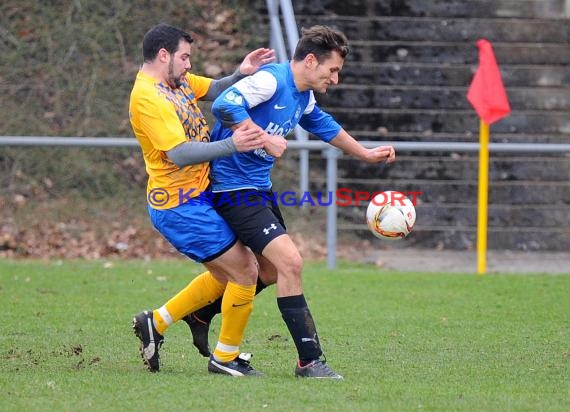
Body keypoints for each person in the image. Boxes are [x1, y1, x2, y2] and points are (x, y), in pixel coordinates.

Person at [182, 25, 396, 379]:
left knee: (268, 271)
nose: (336, 79)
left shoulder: (303, 95)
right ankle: (309, 360)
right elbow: (224, 104)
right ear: (310, 61)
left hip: (258, 189)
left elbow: (324, 126)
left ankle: (201, 313)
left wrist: (366, 154)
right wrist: (264, 138)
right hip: (232, 190)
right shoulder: (271, 81)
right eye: (333, 70)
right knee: (291, 263)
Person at [128, 23, 278, 376]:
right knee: (245, 270)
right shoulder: (148, 96)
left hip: (200, 196)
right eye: (184, 57)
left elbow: (214, 89)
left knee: (228, 274)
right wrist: (233, 145)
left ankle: (156, 322)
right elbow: (179, 154)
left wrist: (241, 73)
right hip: (179, 206)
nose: (188, 65)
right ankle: (225, 359)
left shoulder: (174, 83)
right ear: (163, 55)